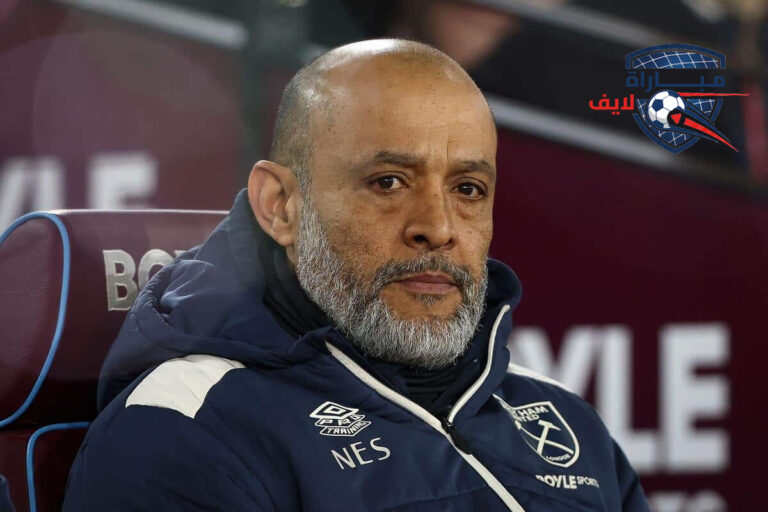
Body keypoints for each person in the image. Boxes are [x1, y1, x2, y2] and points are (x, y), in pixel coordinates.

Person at [63, 39, 649, 511]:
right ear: (281, 206)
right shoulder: (188, 428)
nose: (437, 227)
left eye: (468, 189)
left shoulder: (565, 417)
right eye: (388, 182)